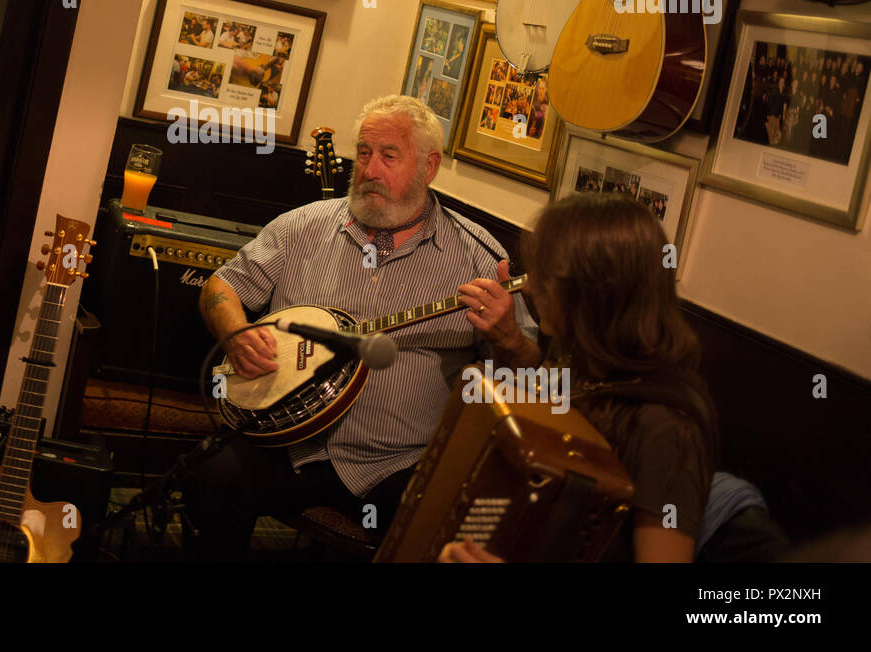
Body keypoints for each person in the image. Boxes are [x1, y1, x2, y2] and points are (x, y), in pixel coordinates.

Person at [185, 95, 539, 561]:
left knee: (443, 531)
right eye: (364, 152)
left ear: (429, 167)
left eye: (389, 156)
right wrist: (236, 333)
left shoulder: (479, 255)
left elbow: (530, 379)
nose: (370, 170)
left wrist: (508, 337)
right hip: (290, 443)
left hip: (399, 462)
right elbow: (221, 286)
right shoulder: (302, 227)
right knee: (212, 474)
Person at [438, 193, 717, 563]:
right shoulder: (580, 358)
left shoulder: (667, 427)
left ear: (592, 292)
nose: (530, 288)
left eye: (546, 277)